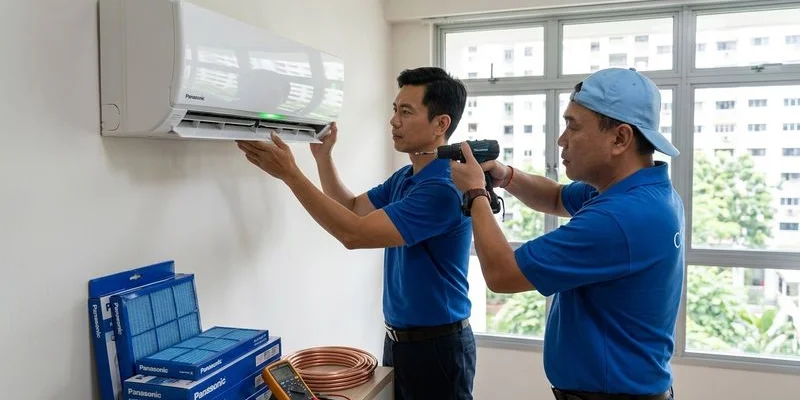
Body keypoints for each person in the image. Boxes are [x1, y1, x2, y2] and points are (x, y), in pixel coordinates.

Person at [236, 67, 476, 400]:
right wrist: (323, 159)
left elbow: (354, 234)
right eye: (395, 110)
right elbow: (351, 207)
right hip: (400, 340)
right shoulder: (407, 178)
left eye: (406, 112)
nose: (394, 121)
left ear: (441, 124)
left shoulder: (443, 187)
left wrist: (291, 175)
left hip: (437, 346)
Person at [450, 67, 683, 400]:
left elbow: (502, 275)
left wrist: (476, 195)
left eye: (573, 126)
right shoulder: (645, 193)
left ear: (620, 138)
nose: (562, 139)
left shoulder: (621, 218)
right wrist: (506, 177)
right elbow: (557, 197)